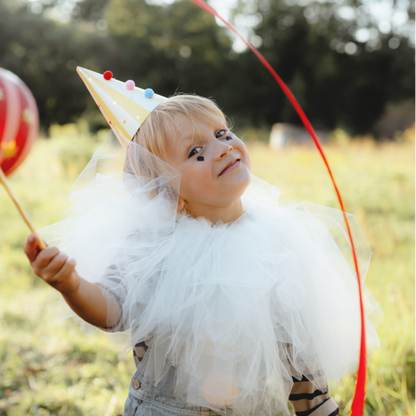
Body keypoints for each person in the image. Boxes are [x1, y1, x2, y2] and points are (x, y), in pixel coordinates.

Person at [24, 68, 381, 416]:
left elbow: (296, 346)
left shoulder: (277, 240)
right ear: (167, 193)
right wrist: (71, 285)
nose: (223, 148)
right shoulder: (157, 247)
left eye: (222, 133)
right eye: (196, 152)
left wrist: (316, 405)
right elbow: (113, 310)